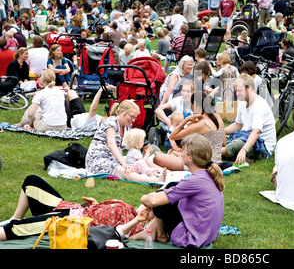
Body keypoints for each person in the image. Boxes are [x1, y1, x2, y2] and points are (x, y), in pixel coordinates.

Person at [0, 174, 152, 241]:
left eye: (151, 210)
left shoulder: (137, 227)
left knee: (16, 229)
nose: (146, 207)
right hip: (71, 207)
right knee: (32, 182)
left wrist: (137, 220)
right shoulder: (131, 209)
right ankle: (15, 216)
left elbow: (119, 233)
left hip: (69, 222)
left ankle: (13, 223)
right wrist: (96, 205)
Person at [140, 133, 224, 248]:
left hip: (190, 238)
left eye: (182, 150)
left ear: (190, 157)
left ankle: (160, 234)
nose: (180, 153)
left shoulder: (195, 180)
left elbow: (154, 201)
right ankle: (153, 230)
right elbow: (174, 186)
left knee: (160, 201)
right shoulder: (206, 175)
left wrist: (144, 198)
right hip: (206, 234)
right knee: (170, 187)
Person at [85, 99, 156, 183]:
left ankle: (163, 172)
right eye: (132, 116)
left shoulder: (127, 126)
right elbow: (111, 144)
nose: (133, 120)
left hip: (115, 159)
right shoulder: (111, 122)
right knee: (128, 172)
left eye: (135, 117)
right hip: (99, 160)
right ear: (122, 112)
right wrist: (124, 164)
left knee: (143, 161)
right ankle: (154, 180)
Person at [155, 91, 226, 171]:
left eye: (191, 106)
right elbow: (223, 143)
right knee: (173, 153)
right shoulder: (217, 117)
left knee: (157, 158)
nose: (192, 110)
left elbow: (173, 136)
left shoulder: (201, 124)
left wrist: (186, 120)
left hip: (199, 164)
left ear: (195, 104)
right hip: (215, 161)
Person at [222, 74, 276, 164]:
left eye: (239, 91)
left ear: (249, 88)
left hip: (262, 145)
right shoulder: (242, 102)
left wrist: (244, 150)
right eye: (236, 91)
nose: (237, 94)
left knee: (235, 146)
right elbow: (238, 124)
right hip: (246, 137)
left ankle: (209, 152)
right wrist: (222, 131)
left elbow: (256, 132)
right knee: (224, 139)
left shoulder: (259, 105)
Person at [155, 79, 195, 151]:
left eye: (188, 91)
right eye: (183, 91)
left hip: (190, 133)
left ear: (193, 92)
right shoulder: (178, 100)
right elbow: (158, 110)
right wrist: (168, 122)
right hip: (176, 132)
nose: (185, 94)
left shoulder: (196, 104)